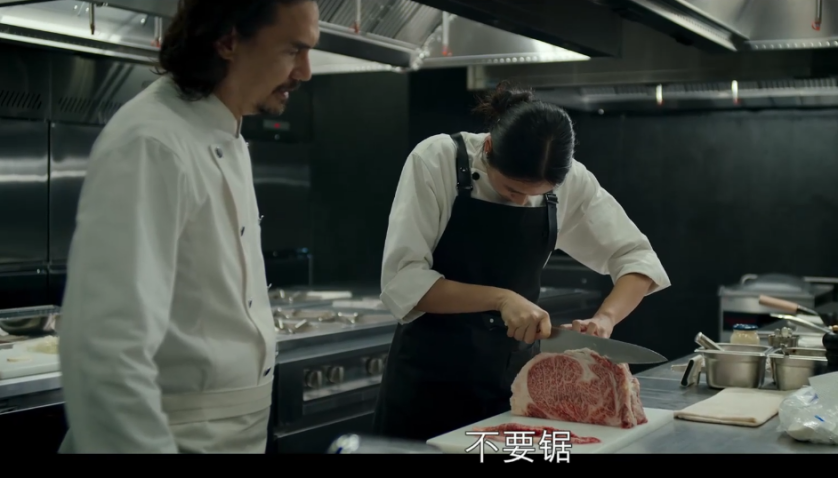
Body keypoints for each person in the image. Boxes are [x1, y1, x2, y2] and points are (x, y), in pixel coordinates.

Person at [56, 0, 319, 453]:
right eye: (293, 50)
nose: (306, 72)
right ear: (228, 41)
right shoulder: (152, 142)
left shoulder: (223, 131)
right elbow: (106, 350)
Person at [372, 83, 671, 442]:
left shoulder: (572, 179)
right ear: (488, 148)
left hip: (513, 385)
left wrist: (605, 318)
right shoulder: (437, 160)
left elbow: (636, 258)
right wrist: (502, 298)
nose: (521, 202)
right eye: (512, 190)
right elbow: (403, 281)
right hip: (427, 385)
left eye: (538, 194)